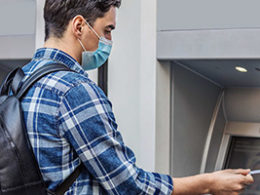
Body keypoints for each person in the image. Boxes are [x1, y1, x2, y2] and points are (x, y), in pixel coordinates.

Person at [21, 0, 254, 194]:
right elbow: (130, 186)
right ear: (79, 26)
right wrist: (210, 182)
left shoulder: (17, 82)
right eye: (107, 30)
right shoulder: (75, 91)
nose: (109, 42)